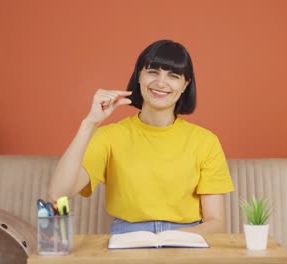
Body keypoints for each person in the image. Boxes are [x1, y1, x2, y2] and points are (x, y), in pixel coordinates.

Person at [48, 39, 234, 234]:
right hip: (128, 239)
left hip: (187, 240)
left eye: (173, 76)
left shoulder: (205, 142)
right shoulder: (109, 136)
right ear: (139, 75)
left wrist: (169, 240)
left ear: (185, 85)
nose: (160, 83)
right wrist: (89, 124)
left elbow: (216, 222)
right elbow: (57, 193)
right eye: (153, 72)